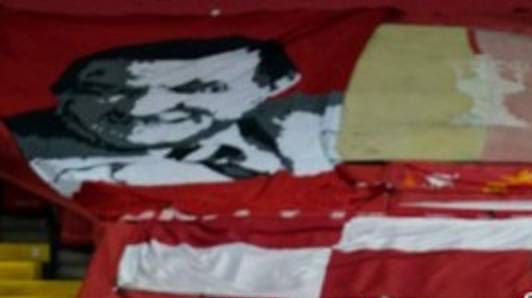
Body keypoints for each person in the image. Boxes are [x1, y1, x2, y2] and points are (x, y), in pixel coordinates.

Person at [5, 36, 340, 196]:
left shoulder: (297, 138)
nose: (147, 105)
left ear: (266, 91)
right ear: (66, 99)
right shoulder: (19, 148)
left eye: (202, 88)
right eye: (106, 90)